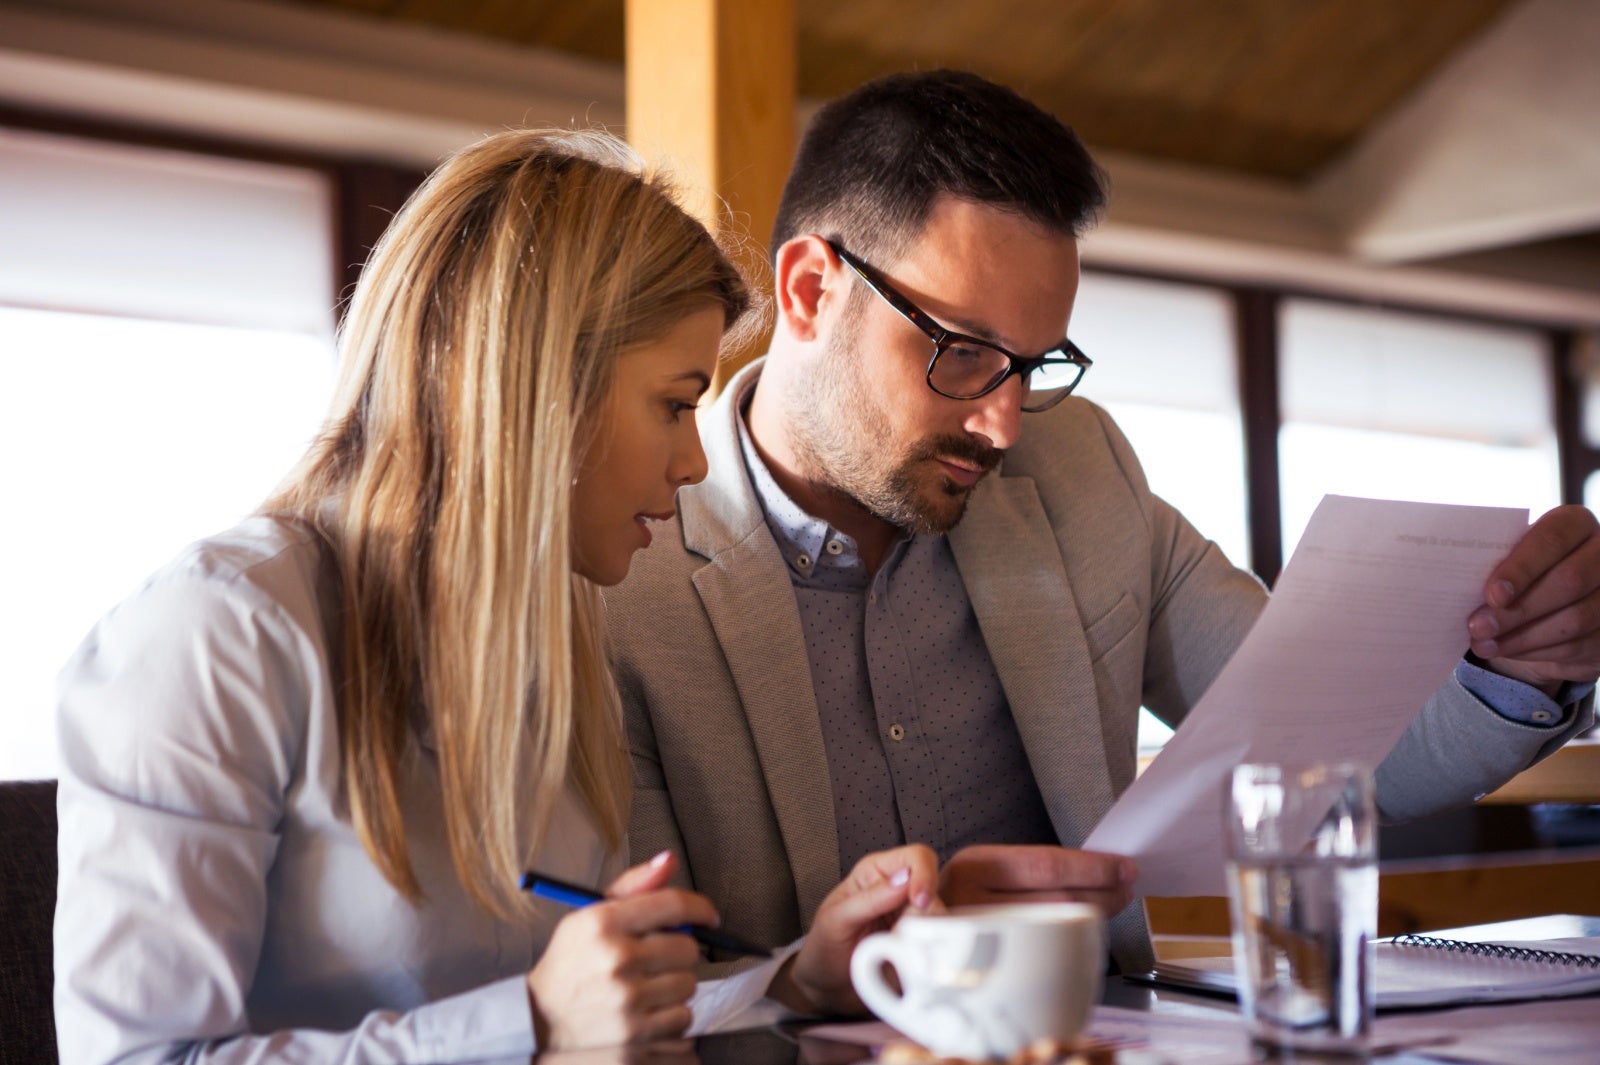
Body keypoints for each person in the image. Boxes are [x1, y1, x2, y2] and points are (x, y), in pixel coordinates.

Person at [603, 70, 1600, 977]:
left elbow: (1327, 757)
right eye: (962, 352)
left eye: (1034, 364)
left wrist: (1519, 665)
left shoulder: (1081, 472)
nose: (1002, 425)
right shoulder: (619, 573)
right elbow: (639, 984)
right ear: (809, 291)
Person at [52, 128, 939, 1065]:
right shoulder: (214, 636)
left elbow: (591, 1013)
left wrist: (796, 980)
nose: (694, 461)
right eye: (676, 403)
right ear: (541, 385)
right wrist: (534, 1023)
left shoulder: (559, 634)